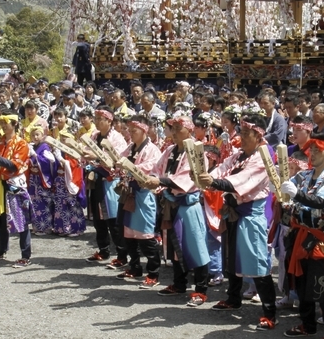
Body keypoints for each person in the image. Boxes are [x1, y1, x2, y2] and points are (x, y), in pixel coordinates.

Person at [199, 113, 278, 327]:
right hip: (233, 212)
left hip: (250, 216)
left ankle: (270, 311)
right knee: (231, 257)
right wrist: (207, 176)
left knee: (257, 262)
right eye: (241, 132)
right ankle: (233, 298)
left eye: (245, 133)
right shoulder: (239, 155)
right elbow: (222, 169)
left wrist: (213, 182)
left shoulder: (263, 157)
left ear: (258, 135)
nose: (241, 137)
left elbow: (243, 180)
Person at [279, 130, 324, 339]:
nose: (313, 153)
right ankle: (307, 325)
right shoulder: (305, 175)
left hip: (322, 239)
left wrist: (297, 195)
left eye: (318, 150)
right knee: (302, 282)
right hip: (301, 235)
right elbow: (284, 187)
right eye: (312, 149)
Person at [145, 112, 212, 306]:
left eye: (178, 128)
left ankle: (201, 289)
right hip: (170, 202)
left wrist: (160, 181)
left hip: (187, 205)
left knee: (196, 247)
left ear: (189, 130)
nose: (173, 132)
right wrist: (152, 179)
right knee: (174, 246)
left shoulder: (197, 151)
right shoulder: (170, 150)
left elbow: (185, 179)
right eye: (172, 128)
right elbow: (157, 169)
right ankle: (179, 283)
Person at [114, 114, 163, 285]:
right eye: (130, 130)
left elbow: (152, 167)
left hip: (143, 194)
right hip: (129, 193)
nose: (130, 133)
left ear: (144, 130)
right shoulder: (130, 147)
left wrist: (130, 167)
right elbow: (119, 159)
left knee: (146, 235)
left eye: (134, 130)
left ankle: (153, 273)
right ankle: (134, 267)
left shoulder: (153, 150)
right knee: (128, 234)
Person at [0, 112, 32, 265]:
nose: (3, 126)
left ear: (15, 124)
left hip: (14, 185)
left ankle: (25, 255)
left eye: (6, 122)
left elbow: (14, 166)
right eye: (2, 123)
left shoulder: (21, 143)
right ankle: (1, 250)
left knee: (21, 220)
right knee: (1, 219)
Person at [84, 108, 129, 266]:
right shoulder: (95, 135)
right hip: (96, 180)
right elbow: (87, 152)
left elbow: (117, 160)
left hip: (111, 182)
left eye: (100, 119)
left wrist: (96, 157)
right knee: (98, 219)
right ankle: (103, 250)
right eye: (96, 118)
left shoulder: (117, 138)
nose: (97, 122)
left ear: (109, 121)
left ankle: (122, 255)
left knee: (113, 220)